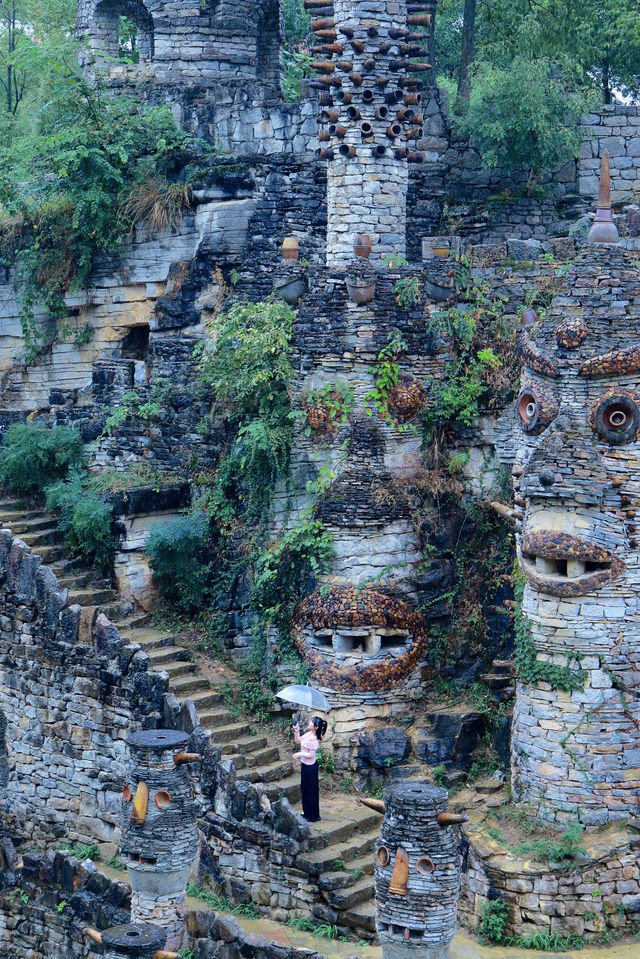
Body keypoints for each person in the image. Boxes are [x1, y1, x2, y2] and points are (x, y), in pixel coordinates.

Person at [293, 715, 328, 822]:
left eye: (311, 722)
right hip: (305, 765)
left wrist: (299, 754)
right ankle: (306, 812)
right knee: (305, 789)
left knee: (311, 791)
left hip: (311, 768)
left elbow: (311, 755)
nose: (309, 723)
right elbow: (298, 741)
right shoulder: (308, 734)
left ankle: (312, 815)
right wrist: (296, 731)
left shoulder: (314, 740)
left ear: (316, 727)